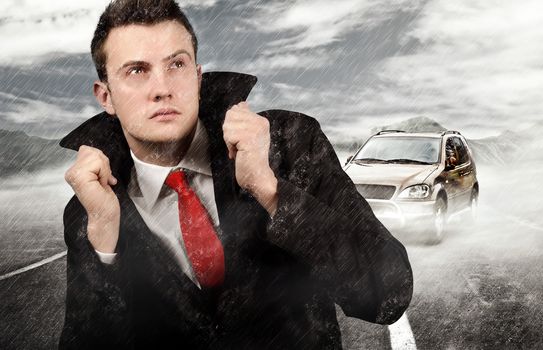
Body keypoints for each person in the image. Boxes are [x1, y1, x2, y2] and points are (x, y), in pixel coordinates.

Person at [59, 0, 413, 348]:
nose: (162, 88)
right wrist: (105, 250)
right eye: (137, 70)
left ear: (198, 77)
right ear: (105, 96)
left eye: (177, 64)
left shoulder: (289, 144)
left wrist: (271, 191)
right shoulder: (91, 211)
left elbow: (389, 294)